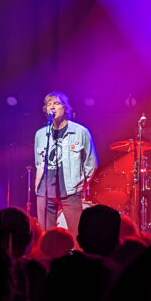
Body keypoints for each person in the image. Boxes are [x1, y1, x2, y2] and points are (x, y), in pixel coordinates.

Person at [34, 91, 97, 232]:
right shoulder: (41, 134)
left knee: (77, 236)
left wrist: (81, 185)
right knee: (46, 238)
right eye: (48, 104)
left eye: (56, 103)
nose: (52, 107)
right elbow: (38, 163)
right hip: (44, 192)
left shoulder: (81, 132)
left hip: (71, 191)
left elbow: (91, 163)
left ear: (65, 108)